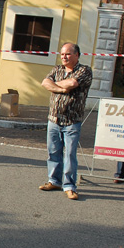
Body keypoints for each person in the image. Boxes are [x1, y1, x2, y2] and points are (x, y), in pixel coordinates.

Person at [39, 43, 92, 200]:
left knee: (69, 154)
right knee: (53, 151)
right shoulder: (57, 69)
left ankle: (69, 186)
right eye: (62, 54)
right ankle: (54, 181)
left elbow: (73, 83)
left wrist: (54, 86)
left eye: (68, 54)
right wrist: (61, 89)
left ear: (76, 55)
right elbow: (44, 83)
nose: (64, 57)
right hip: (54, 119)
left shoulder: (84, 70)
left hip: (72, 120)